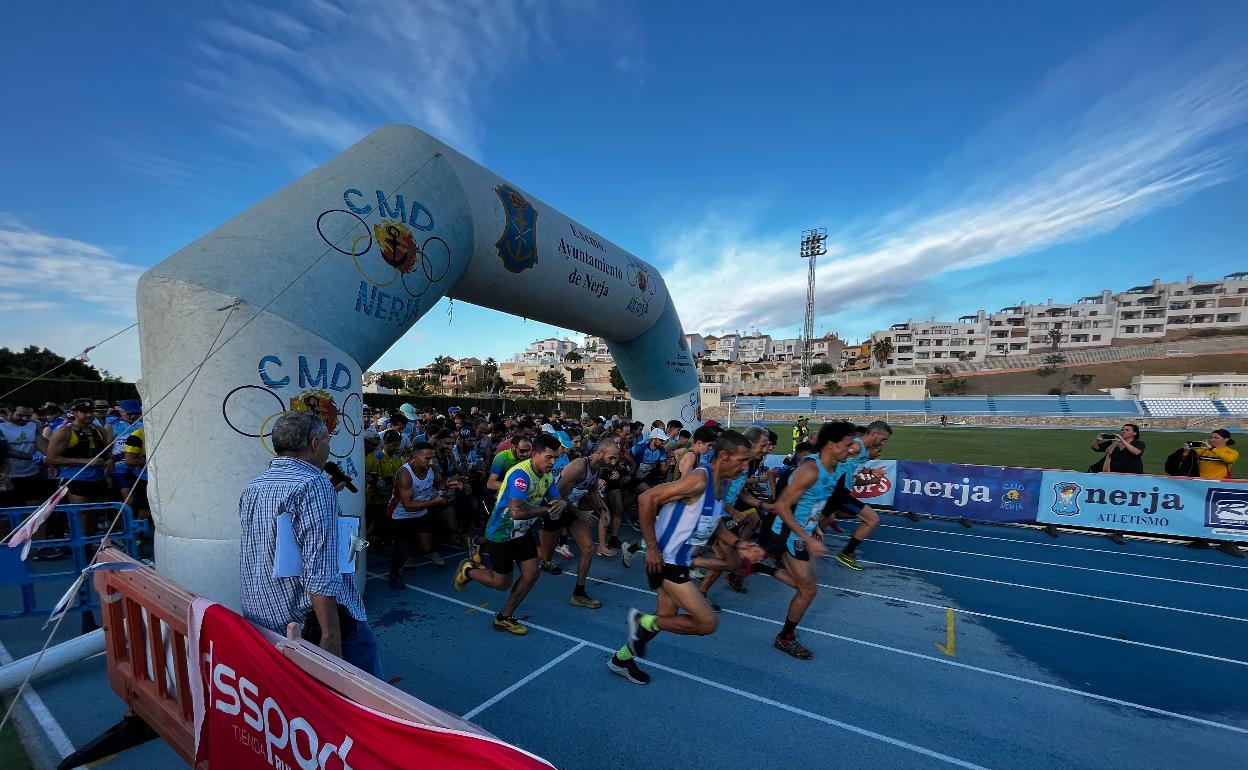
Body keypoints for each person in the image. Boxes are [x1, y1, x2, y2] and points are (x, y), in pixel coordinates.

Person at [607, 431, 760, 685]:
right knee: (707, 623)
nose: (746, 466)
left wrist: (740, 543)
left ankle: (621, 659)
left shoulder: (721, 485)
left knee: (665, 617)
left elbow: (713, 524)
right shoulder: (700, 479)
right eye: (742, 460)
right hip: (665, 561)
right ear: (723, 456)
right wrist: (652, 548)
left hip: (678, 562)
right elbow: (647, 498)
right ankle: (641, 620)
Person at [237, 412, 380, 678]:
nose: (328, 447)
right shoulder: (313, 486)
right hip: (307, 622)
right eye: (327, 440)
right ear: (315, 443)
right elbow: (321, 570)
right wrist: (331, 637)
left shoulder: (255, 486)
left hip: (264, 616)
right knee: (369, 691)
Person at [759, 421, 859, 658]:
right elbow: (782, 506)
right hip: (788, 532)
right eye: (847, 445)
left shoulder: (833, 465)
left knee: (805, 586)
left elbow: (813, 502)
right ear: (832, 445)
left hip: (801, 530)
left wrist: (816, 526)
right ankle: (785, 638)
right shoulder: (811, 470)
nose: (852, 448)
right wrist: (807, 536)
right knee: (808, 590)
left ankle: (763, 567)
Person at [453, 432, 566, 636]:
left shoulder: (547, 475)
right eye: (549, 457)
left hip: (522, 533)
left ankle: (504, 617)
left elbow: (556, 499)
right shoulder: (520, 475)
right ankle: (468, 570)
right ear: (534, 454)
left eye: (556, 457)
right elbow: (517, 512)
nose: (553, 462)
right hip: (502, 533)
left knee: (532, 574)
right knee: (501, 584)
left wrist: (562, 503)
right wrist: (546, 510)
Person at [549, 438, 620, 605]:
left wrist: (603, 510)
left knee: (588, 549)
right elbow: (555, 494)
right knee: (544, 555)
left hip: (570, 510)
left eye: (616, 458)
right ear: (599, 453)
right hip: (552, 509)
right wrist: (579, 512)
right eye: (612, 457)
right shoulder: (579, 466)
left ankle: (578, 593)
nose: (614, 462)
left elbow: (593, 491)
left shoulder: (597, 468)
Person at [388, 441, 459, 586]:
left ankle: (410, 546)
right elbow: (408, 506)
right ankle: (394, 573)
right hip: (401, 515)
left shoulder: (431, 467)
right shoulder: (404, 474)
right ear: (415, 456)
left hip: (421, 512)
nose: (431, 461)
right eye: (427, 458)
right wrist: (434, 502)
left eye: (432, 458)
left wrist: (448, 484)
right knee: (403, 550)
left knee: (427, 547)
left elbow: (439, 483)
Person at [827, 420, 892, 571]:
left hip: (839, 492)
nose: (883, 443)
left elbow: (851, 467)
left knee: (817, 522)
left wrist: (870, 472)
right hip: (836, 492)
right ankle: (846, 553)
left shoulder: (862, 450)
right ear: (874, 434)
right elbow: (830, 456)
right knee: (873, 519)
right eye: (883, 439)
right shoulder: (856, 446)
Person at [44, 400, 111, 504]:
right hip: (75, 478)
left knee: (97, 513)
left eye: (91, 411)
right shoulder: (65, 431)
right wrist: (84, 461)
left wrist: (110, 461)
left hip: (99, 478)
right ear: (75, 413)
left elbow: (107, 452)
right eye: (84, 412)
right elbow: (50, 458)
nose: (89, 415)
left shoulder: (100, 430)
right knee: (81, 514)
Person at [0, 405, 48, 507]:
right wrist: (33, 457)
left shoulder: (35, 424)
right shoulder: (1, 425)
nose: (25, 419)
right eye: (20, 415)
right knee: (11, 515)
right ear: (9, 412)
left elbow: (41, 444)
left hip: (32, 475)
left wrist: (51, 458)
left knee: (33, 513)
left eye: (28, 416)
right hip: (9, 477)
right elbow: (6, 451)